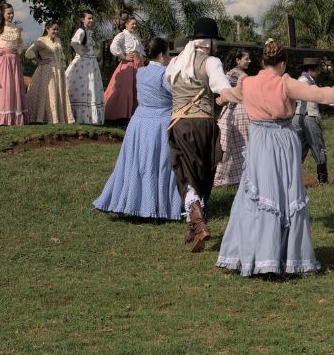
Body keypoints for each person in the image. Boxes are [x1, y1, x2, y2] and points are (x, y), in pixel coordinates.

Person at [216, 39, 334, 277]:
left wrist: (221, 96)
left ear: (263, 61)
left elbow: (230, 94)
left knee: (257, 196)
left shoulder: (247, 82)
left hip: (259, 141)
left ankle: (254, 256)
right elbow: (318, 94)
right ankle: (282, 256)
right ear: (282, 63)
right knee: (284, 195)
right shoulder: (285, 83)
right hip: (282, 139)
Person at [166, 18, 241, 252]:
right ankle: (198, 222)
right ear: (208, 43)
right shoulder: (211, 62)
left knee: (185, 174)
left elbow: (170, 87)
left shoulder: (176, 62)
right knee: (201, 174)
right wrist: (245, 96)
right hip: (204, 124)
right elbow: (222, 88)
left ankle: (193, 222)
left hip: (179, 124)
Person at [93, 37, 182, 220]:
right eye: (167, 52)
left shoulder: (141, 72)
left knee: (136, 163)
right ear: (161, 54)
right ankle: (155, 206)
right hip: (160, 122)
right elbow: (178, 94)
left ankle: (132, 202)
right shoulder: (165, 74)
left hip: (139, 122)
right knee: (160, 164)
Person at [293, 57, 334, 184]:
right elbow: (321, 95)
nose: (320, 72)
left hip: (298, 117)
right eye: (318, 69)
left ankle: (292, 179)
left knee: (298, 149)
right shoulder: (305, 81)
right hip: (309, 118)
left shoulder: (304, 80)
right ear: (311, 70)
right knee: (318, 146)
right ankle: (323, 179)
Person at [214, 48, 253, 188]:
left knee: (231, 144)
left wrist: (223, 98)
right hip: (239, 111)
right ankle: (240, 175)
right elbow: (226, 90)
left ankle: (230, 177)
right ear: (238, 60)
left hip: (234, 111)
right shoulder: (235, 74)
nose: (249, 61)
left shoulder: (235, 74)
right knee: (243, 143)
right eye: (246, 58)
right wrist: (224, 98)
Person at [24, 22, 74, 124]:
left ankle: (58, 118)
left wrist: (63, 66)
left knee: (57, 92)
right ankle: (43, 118)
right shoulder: (41, 40)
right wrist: (39, 61)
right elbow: (28, 52)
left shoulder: (58, 40)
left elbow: (61, 55)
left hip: (58, 70)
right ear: (47, 29)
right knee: (47, 93)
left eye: (57, 29)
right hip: (47, 70)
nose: (55, 31)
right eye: (53, 29)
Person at [66, 11, 105, 124]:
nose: (91, 20)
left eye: (92, 18)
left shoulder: (89, 31)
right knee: (84, 86)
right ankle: (81, 116)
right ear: (83, 19)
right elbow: (74, 42)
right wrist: (81, 51)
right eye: (89, 18)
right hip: (84, 62)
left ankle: (88, 117)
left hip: (90, 61)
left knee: (91, 86)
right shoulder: (81, 30)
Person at [104, 16, 143, 121]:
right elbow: (113, 47)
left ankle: (133, 114)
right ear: (126, 25)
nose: (134, 26)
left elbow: (141, 51)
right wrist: (123, 56)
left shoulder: (135, 36)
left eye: (135, 24)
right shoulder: (123, 35)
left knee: (136, 89)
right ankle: (121, 114)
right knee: (125, 89)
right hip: (128, 65)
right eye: (132, 24)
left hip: (138, 65)